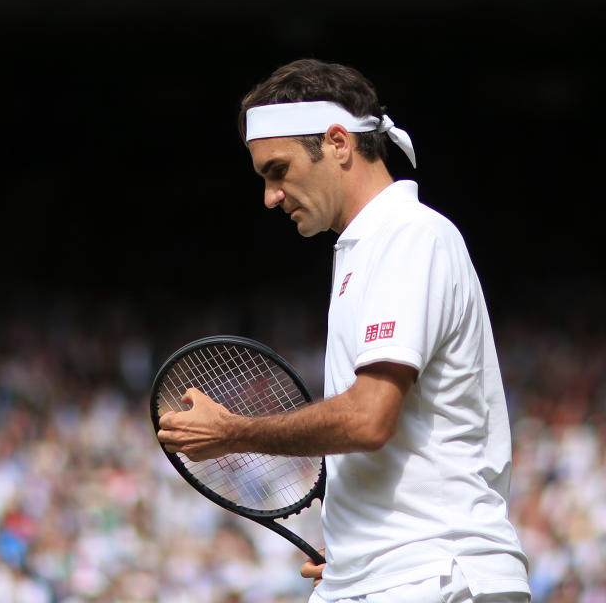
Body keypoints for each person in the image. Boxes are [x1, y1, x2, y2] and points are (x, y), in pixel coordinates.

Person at [156, 59, 531, 602]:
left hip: (436, 574)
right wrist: (358, 549)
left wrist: (233, 431)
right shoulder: (369, 246)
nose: (270, 196)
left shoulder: (408, 236)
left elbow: (367, 417)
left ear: (337, 142)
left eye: (277, 170)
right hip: (387, 573)